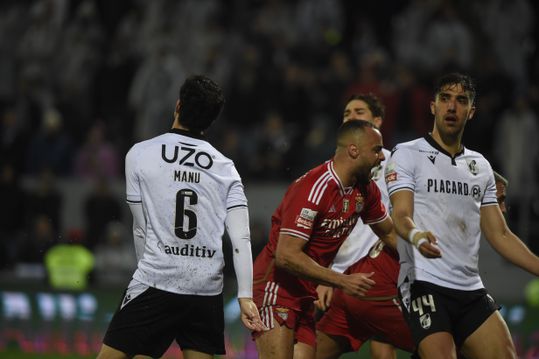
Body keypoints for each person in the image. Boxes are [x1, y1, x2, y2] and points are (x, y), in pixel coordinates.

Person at [96, 75, 265, 359]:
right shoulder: (226, 168)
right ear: (211, 121)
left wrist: (146, 274)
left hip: (157, 279)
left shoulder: (140, 154)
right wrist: (245, 295)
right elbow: (241, 238)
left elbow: (141, 228)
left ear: (177, 106)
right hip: (205, 290)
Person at [385, 72, 539, 359]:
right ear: (433, 106)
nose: (452, 107)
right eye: (445, 99)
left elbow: (500, 234)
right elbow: (401, 214)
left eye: (461, 101)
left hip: (470, 289)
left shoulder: (480, 166)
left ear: (471, 112)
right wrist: (417, 236)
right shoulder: (406, 154)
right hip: (423, 283)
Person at [253, 119, 396, 359]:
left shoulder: (366, 190)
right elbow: (286, 256)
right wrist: (341, 281)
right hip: (276, 288)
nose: (382, 157)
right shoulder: (314, 188)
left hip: (304, 293)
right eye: (376, 149)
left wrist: (426, 258)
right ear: (353, 150)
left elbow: (390, 233)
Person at [315, 94, 414, 359]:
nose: (351, 117)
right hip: (338, 275)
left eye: (359, 111)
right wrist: (325, 274)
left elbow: (398, 220)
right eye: (346, 113)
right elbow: (326, 225)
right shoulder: (335, 168)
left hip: (375, 272)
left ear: (377, 120)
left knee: (386, 349)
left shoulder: (394, 163)